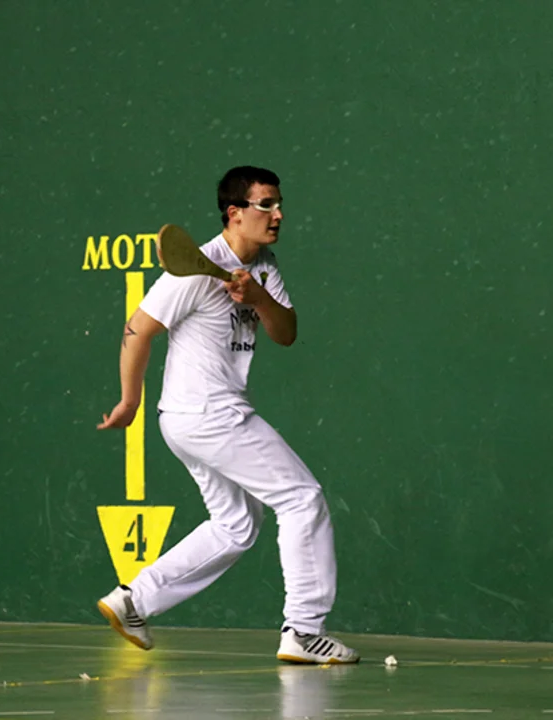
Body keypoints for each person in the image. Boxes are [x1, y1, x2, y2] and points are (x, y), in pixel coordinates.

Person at [94, 166, 359, 665]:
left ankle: (134, 600)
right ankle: (304, 631)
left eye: (279, 204)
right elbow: (138, 328)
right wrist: (129, 401)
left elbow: (286, 333)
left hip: (192, 418)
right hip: (209, 413)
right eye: (266, 205)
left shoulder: (264, 265)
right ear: (235, 213)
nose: (278, 214)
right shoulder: (197, 268)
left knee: (237, 524)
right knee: (302, 499)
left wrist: (257, 297)